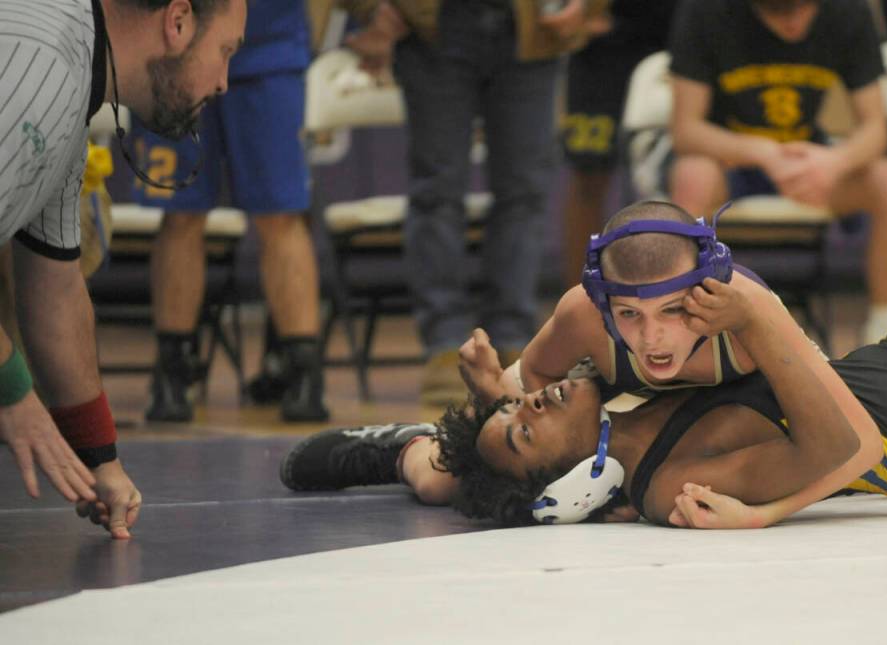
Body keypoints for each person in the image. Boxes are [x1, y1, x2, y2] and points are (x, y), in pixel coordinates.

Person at [433, 207, 887, 528]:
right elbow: (844, 447)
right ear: (570, 489)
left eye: (516, 405)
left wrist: (495, 397)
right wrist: (756, 319)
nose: (529, 403)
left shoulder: (633, 387)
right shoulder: (668, 483)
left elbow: (527, 386)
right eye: (524, 430)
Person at [279, 201, 802, 510]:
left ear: (708, 285)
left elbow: (824, 427)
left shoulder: (751, 319)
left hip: (705, 421)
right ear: (603, 300)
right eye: (629, 315)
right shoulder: (583, 315)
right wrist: (496, 397)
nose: (652, 340)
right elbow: (535, 398)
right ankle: (408, 448)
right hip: (599, 398)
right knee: (451, 480)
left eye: (672, 311)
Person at [0, 0, 246, 538]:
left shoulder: (72, 78)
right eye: (224, 52)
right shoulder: (40, 61)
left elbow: (54, 286)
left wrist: (98, 454)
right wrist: (13, 395)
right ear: (177, 22)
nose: (225, 82)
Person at [339, 0, 613, 408]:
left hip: (533, 28)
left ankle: (515, 342)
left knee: (524, 193)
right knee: (437, 193)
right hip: (433, 25)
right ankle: (446, 346)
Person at [668, 0, 887, 346]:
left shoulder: (849, 11)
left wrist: (834, 162)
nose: (794, 24)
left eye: (804, 9)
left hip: (809, 161)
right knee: (691, 175)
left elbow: (876, 130)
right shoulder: (706, 11)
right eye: (779, 12)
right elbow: (686, 130)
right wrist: (761, 151)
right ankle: (685, 327)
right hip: (729, 161)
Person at [132, 0, 327, 423]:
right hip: (175, 43)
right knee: (181, 212)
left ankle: (303, 369)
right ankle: (172, 369)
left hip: (270, 45)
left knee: (281, 213)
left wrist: (313, 35)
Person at [559, 0, 679, 289]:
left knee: (677, 174)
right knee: (588, 174)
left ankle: (676, 293)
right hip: (601, 47)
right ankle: (579, 297)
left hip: (680, 33)